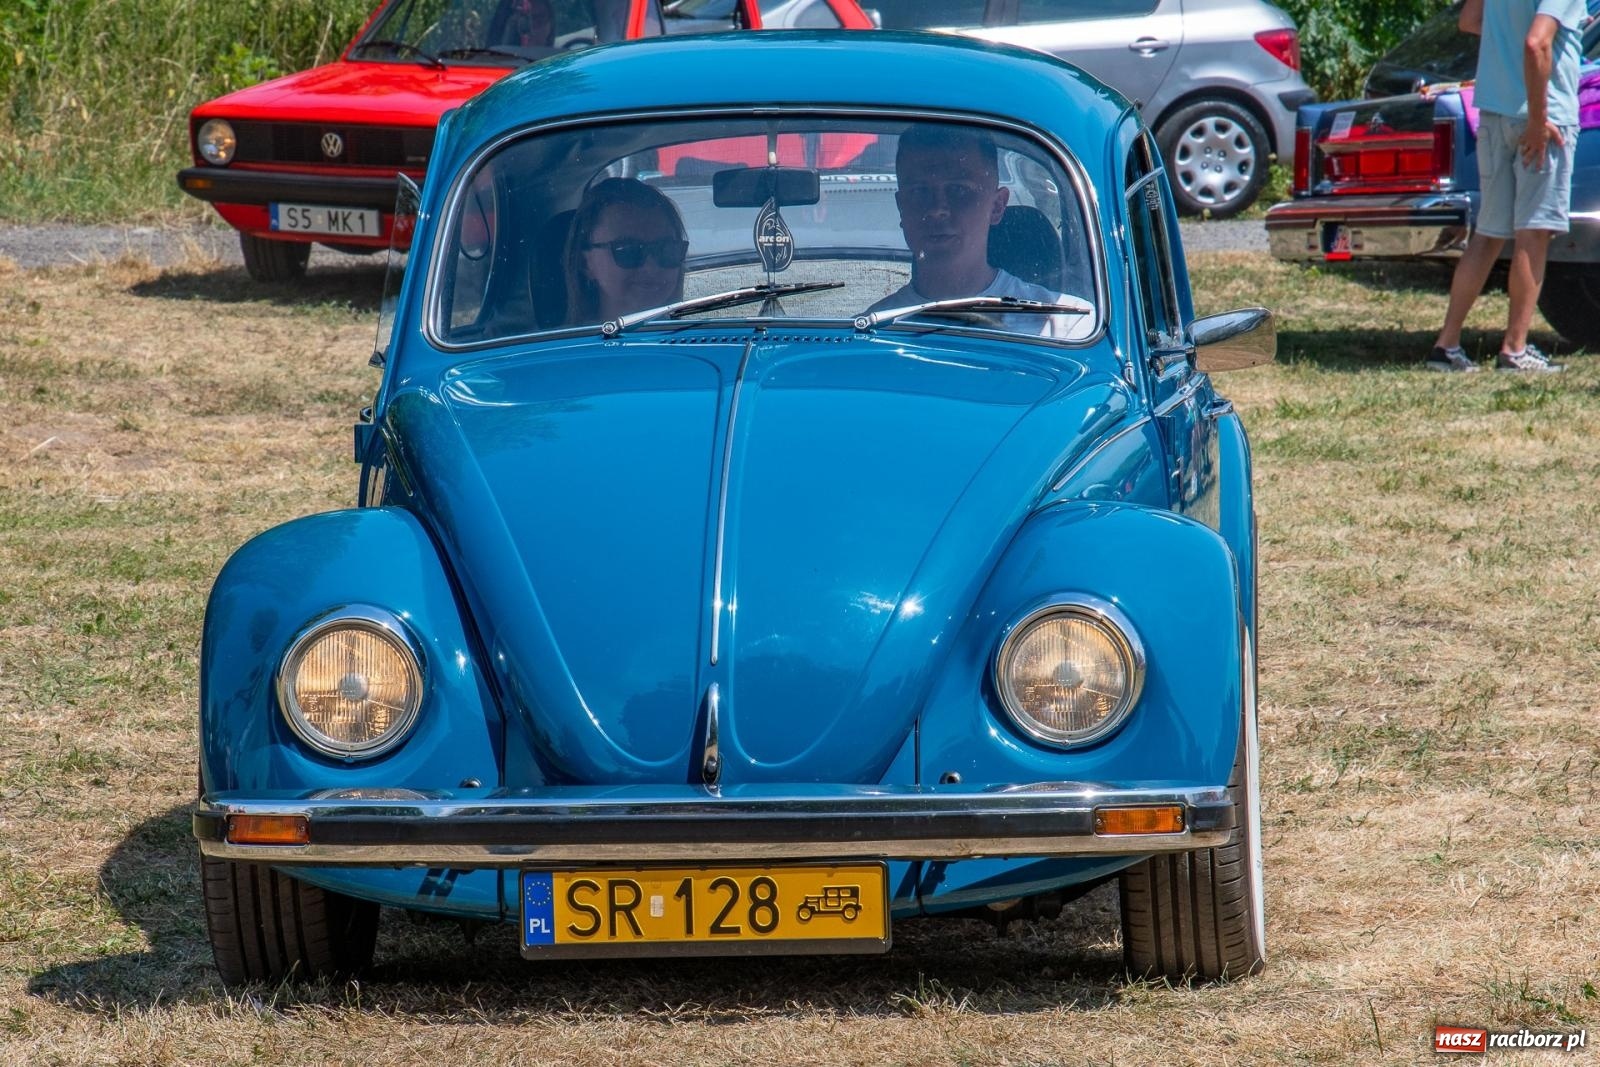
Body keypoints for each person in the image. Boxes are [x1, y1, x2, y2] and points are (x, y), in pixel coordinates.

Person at [1428, 0, 1585, 373]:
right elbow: (1536, 42)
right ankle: (1515, 349)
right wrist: (1537, 118)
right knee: (1534, 233)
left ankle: (1446, 345)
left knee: (1488, 233)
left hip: (1494, 112)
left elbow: (1469, 20)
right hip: (1543, 120)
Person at [871, 124, 1092, 341]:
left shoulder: (1067, 327)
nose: (938, 209)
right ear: (902, 207)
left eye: (958, 190)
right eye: (920, 192)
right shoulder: (871, 331)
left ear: (997, 206)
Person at [564, 177, 689, 324]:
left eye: (667, 249)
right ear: (586, 263)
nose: (651, 267)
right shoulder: (552, 346)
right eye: (628, 250)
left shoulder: (700, 341)